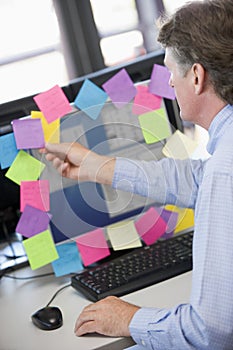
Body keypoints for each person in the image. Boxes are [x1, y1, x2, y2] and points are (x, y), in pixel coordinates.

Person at [42, 0, 233, 348]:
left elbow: (211, 332)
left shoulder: (226, 170)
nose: (170, 85)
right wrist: (97, 167)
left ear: (196, 75)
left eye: (171, 71)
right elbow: (198, 180)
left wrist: (130, 318)